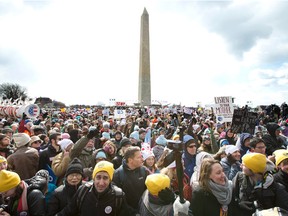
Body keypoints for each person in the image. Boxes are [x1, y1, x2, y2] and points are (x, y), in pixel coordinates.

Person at [56, 161, 131, 216]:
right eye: (98, 177)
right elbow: (68, 211)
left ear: (110, 180)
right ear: (93, 178)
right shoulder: (83, 191)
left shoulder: (118, 196)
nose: (101, 183)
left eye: (105, 178)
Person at [113, 146, 149, 214]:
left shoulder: (144, 170)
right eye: (139, 157)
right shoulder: (117, 174)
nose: (142, 159)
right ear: (130, 160)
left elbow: (148, 191)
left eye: (142, 156)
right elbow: (117, 199)